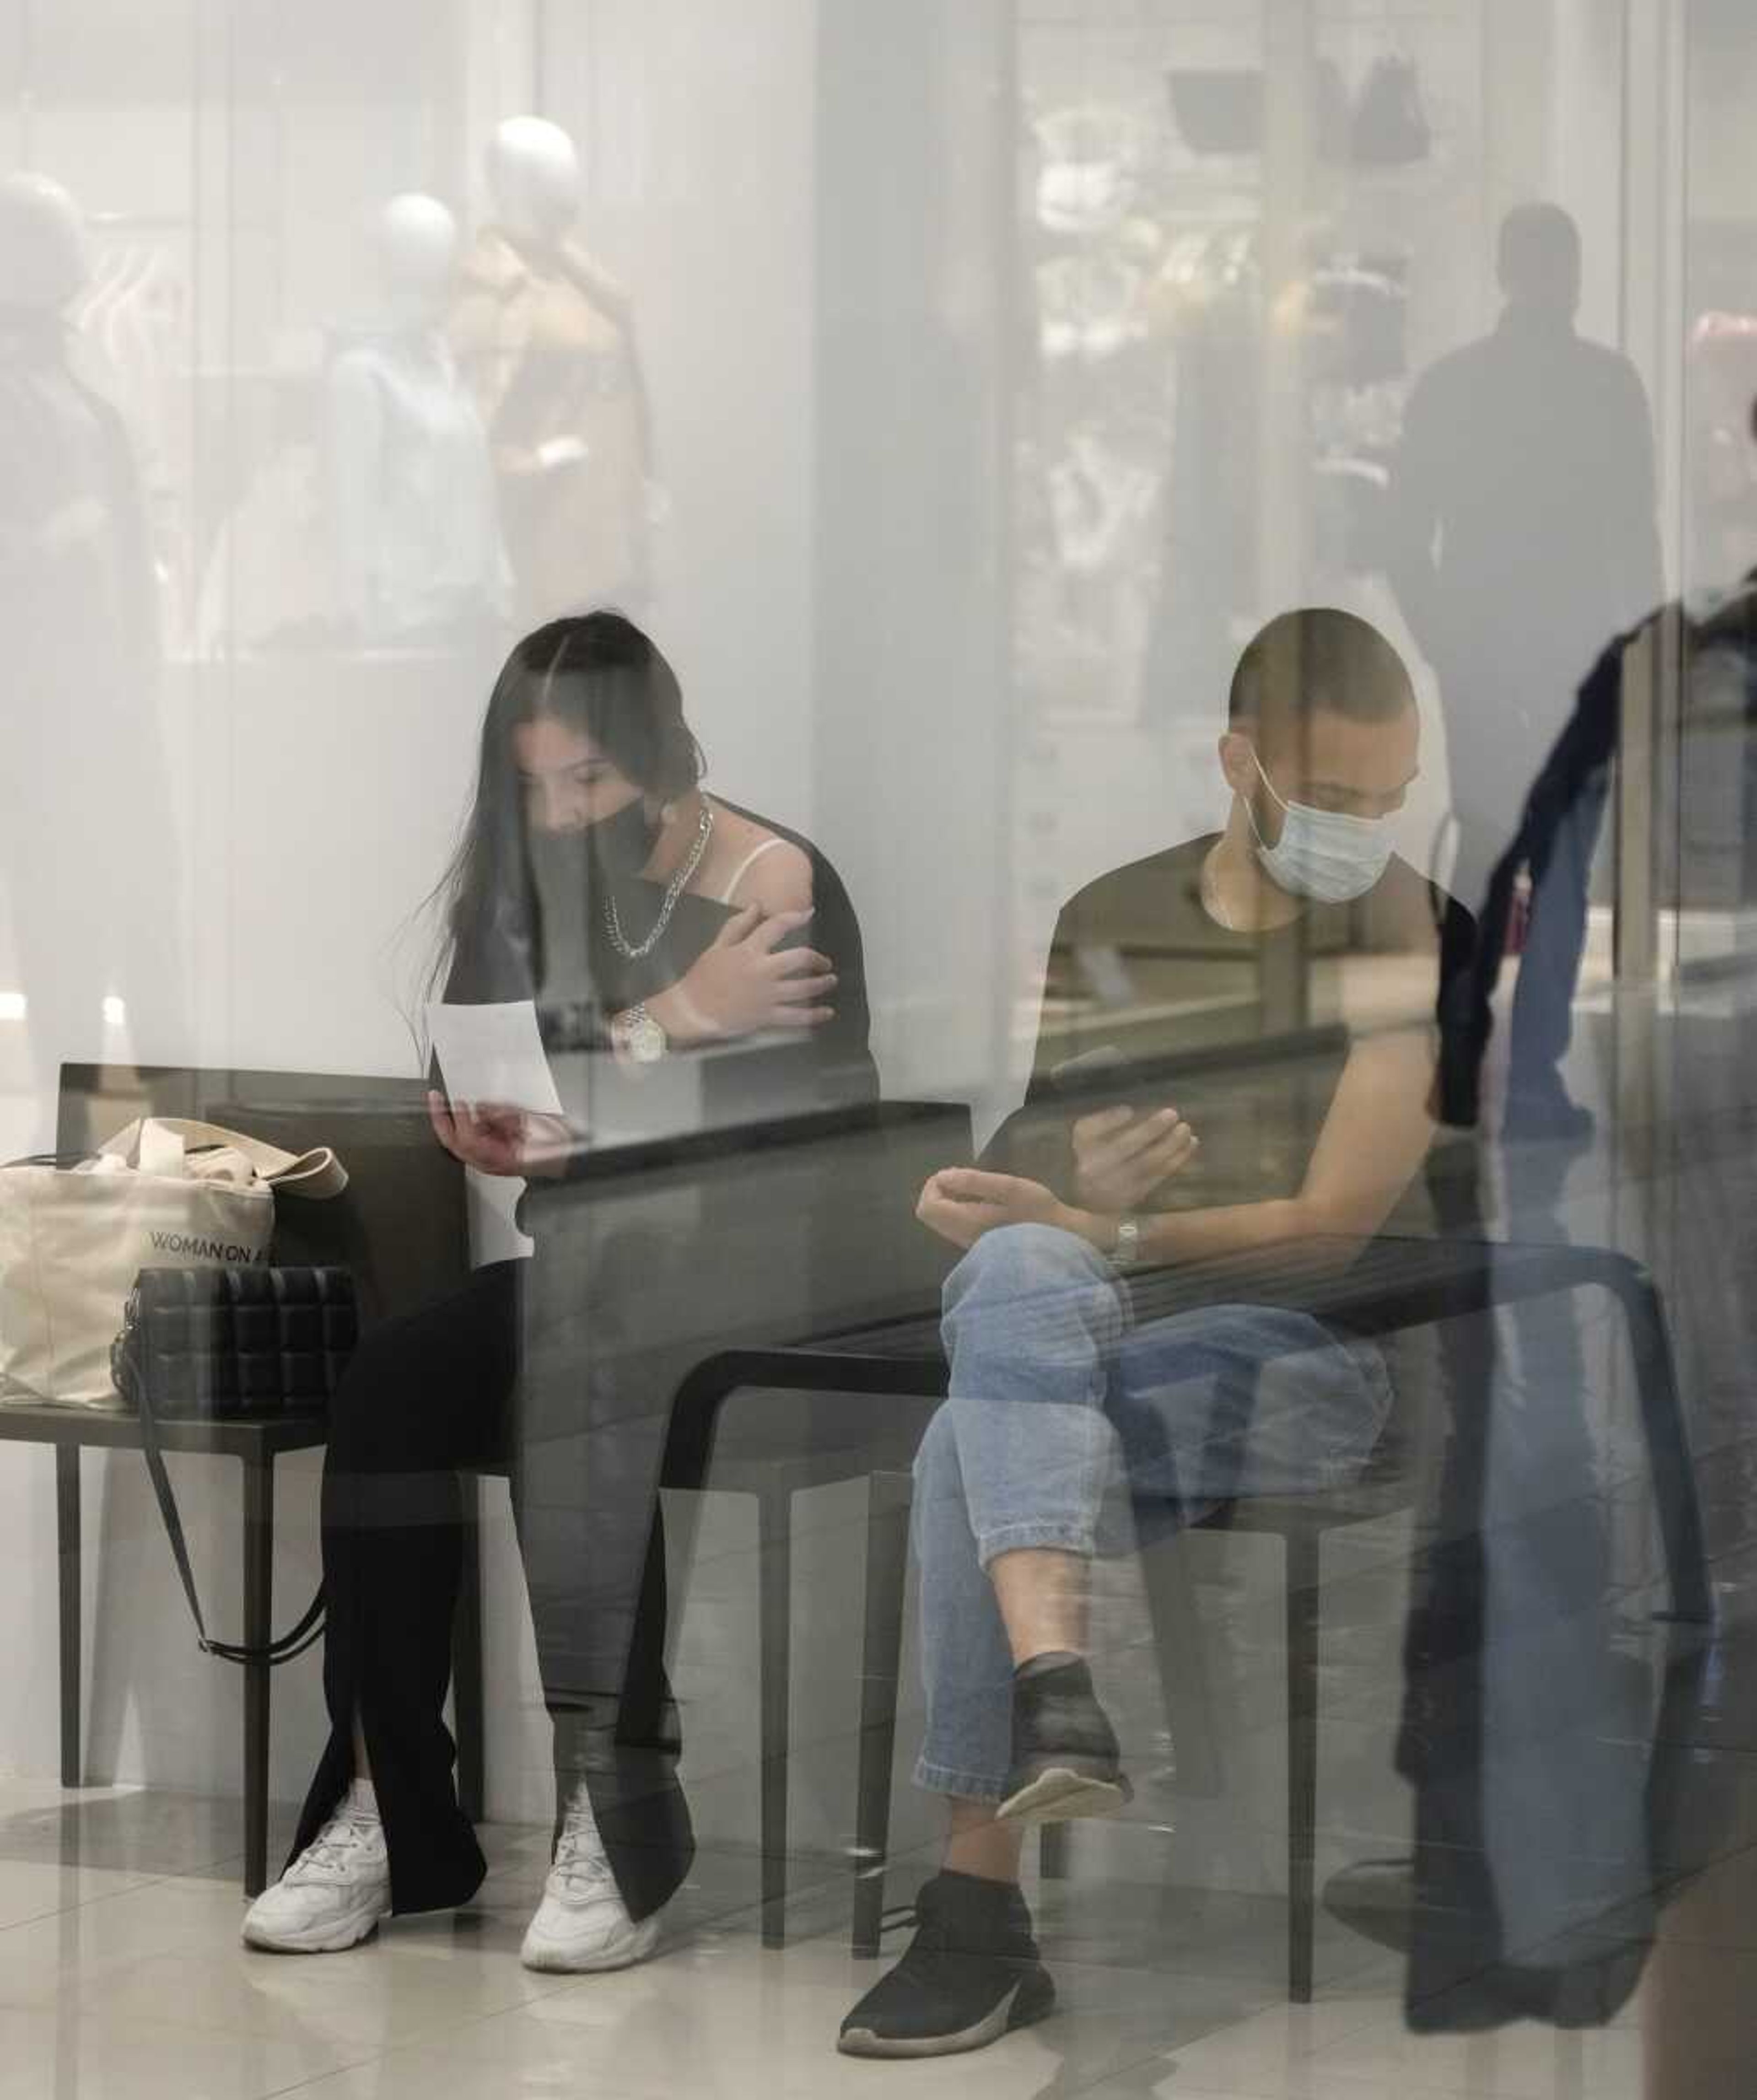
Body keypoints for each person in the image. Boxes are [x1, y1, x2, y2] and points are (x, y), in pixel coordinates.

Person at [838, 608, 1471, 2060]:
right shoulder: (1117, 911)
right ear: (1239, 763)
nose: (1364, 831)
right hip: (1092, 1329)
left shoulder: (1404, 927)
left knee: (968, 1431)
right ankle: (1053, 1699)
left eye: (1390, 798)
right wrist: (1004, 1194)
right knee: (1008, 1292)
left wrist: (1100, 1224)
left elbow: (1332, 1223)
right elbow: (1041, 1151)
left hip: (1320, 1352)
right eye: (1334, 798)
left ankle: (981, 1896)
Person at [241, 612, 875, 1971]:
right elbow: (497, 1065)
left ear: (660, 752)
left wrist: (636, 1045)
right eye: (531, 784)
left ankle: (617, 1802)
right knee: (400, 1371)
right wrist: (502, 1113)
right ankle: (382, 1799)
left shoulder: (774, 882)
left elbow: (813, 1153)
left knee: (577, 1351)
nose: (558, 810)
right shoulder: (531, 874)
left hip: (753, 1278)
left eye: (586, 780)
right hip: (591, 1254)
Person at [1385, 203, 1662, 1137]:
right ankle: (1528, 1072)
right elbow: (1637, 539)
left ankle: (1464, 1059)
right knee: (1557, 855)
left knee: (1494, 848)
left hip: (1496, 650)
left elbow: (1401, 535)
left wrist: (1445, 637)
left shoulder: (1458, 388)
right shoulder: (1606, 387)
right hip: (1565, 654)